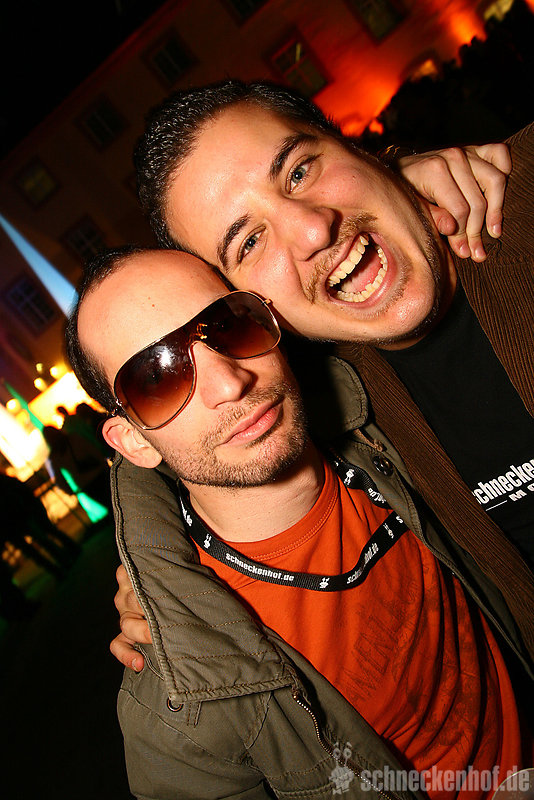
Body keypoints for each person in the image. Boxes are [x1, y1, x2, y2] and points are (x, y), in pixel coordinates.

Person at [67, 247, 532, 800]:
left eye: (227, 325)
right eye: (156, 377)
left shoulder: (393, 427)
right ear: (133, 442)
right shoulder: (181, 714)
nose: (230, 383)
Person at [112, 81, 533, 670]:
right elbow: (177, 448)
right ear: (246, 306)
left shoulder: (516, 198)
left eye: (300, 172)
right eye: (250, 242)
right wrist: (158, 571)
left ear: (359, 149)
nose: (314, 231)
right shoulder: (320, 398)